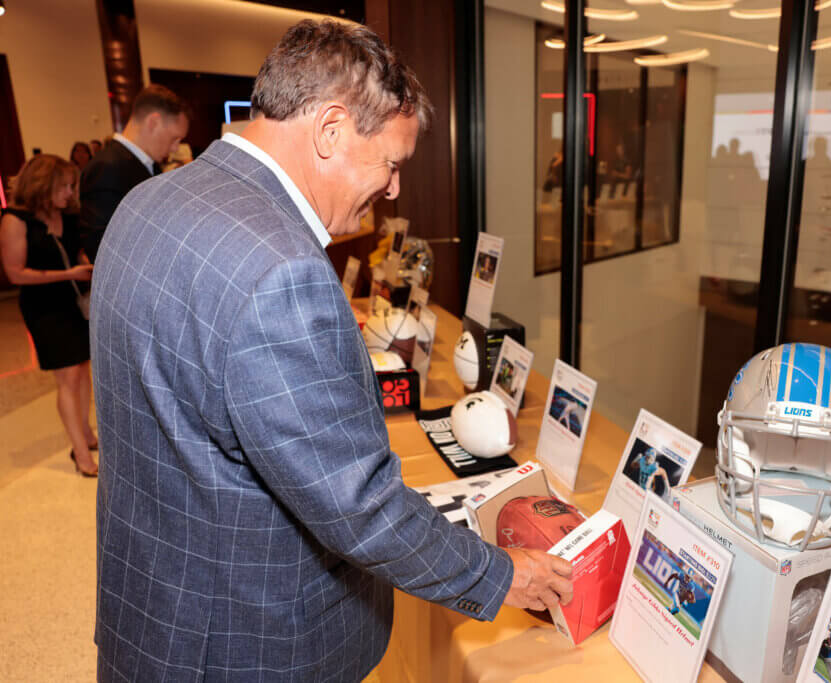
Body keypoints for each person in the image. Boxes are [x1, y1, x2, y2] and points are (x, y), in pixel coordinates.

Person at [91, 19, 572, 681]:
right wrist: (502, 574)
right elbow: (359, 506)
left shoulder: (145, 202)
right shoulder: (281, 269)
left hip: (151, 610)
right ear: (331, 130)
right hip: (242, 645)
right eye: (392, 162)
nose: (394, 188)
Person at [0, 155, 97, 476]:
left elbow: (73, 250)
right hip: (44, 308)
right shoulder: (15, 220)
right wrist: (69, 273)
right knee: (68, 376)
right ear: (44, 186)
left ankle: (85, 433)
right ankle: (80, 454)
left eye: (72, 186)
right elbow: (15, 273)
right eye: (65, 186)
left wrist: (83, 264)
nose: (70, 193)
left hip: (74, 302)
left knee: (82, 370)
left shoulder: (66, 215)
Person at [79, 84, 189, 263]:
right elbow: (100, 245)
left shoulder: (149, 164)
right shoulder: (107, 167)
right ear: (153, 122)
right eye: (175, 138)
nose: (176, 148)